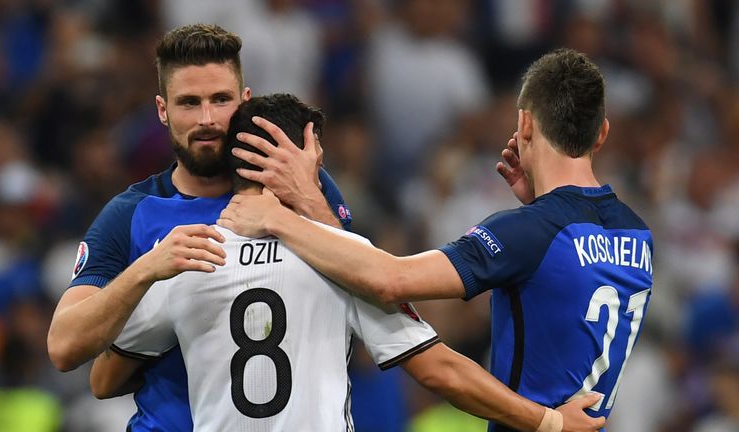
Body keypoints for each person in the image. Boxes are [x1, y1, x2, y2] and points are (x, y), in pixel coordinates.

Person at [94, 93, 605, 432]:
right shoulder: (343, 261)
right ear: (304, 153)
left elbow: (104, 380)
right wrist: (550, 423)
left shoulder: (188, 255)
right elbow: (440, 372)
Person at [220, 48, 654, 432]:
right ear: (602, 133)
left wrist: (287, 213)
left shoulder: (530, 232)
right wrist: (541, 201)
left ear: (524, 124)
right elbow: (567, 289)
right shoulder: (638, 233)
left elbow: (389, 279)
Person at [46, 24, 352, 432]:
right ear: (162, 109)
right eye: (189, 103)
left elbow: (363, 292)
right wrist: (148, 269)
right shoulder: (132, 214)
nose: (207, 119)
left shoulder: (296, 185)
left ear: (244, 101)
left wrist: (309, 203)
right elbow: (64, 347)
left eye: (220, 100)